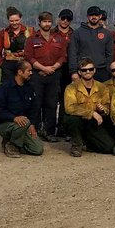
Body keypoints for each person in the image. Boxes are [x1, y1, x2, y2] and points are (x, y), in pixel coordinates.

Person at [23, 11, 67, 142]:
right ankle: (34, 130)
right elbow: (29, 56)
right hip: (37, 75)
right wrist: (43, 68)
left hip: (54, 74)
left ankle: (49, 132)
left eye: (49, 21)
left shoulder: (59, 38)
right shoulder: (32, 39)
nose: (47, 24)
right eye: (44, 21)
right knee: (36, 103)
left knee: (51, 104)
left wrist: (52, 68)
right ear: (39, 22)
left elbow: (63, 56)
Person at [62, 57, 115, 157]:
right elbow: (70, 108)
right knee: (71, 119)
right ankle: (76, 144)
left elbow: (107, 107)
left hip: (93, 122)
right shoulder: (71, 87)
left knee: (108, 147)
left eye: (90, 69)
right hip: (78, 120)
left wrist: (103, 110)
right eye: (84, 70)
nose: (88, 72)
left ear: (94, 70)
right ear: (79, 72)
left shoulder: (102, 87)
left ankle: (87, 142)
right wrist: (92, 112)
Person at [0, 61, 44, 158]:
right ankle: (11, 144)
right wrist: (14, 118)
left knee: (37, 149)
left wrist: (32, 124)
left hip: (24, 124)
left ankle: (15, 143)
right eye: (29, 71)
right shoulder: (5, 87)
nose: (31, 73)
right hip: (5, 123)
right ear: (20, 72)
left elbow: (33, 108)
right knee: (24, 122)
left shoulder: (29, 88)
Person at [69, 6, 114, 82]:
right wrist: (73, 72)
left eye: (96, 15)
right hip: (83, 70)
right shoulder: (77, 33)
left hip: (102, 71)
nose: (94, 17)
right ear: (87, 16)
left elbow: (110, 54)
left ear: (100, 16)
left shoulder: (107, 33)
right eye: (91, 15)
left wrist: (108, 70)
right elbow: (73, 53)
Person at [0, 6, 33, 85]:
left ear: (20, 19)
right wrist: (2, 65)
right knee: (8, 90)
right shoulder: (3, 33)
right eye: (11, 21)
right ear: (8, 20)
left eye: (16, 20)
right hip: (8, 67)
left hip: (25, 66)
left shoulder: (30, 31)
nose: (14, 23)